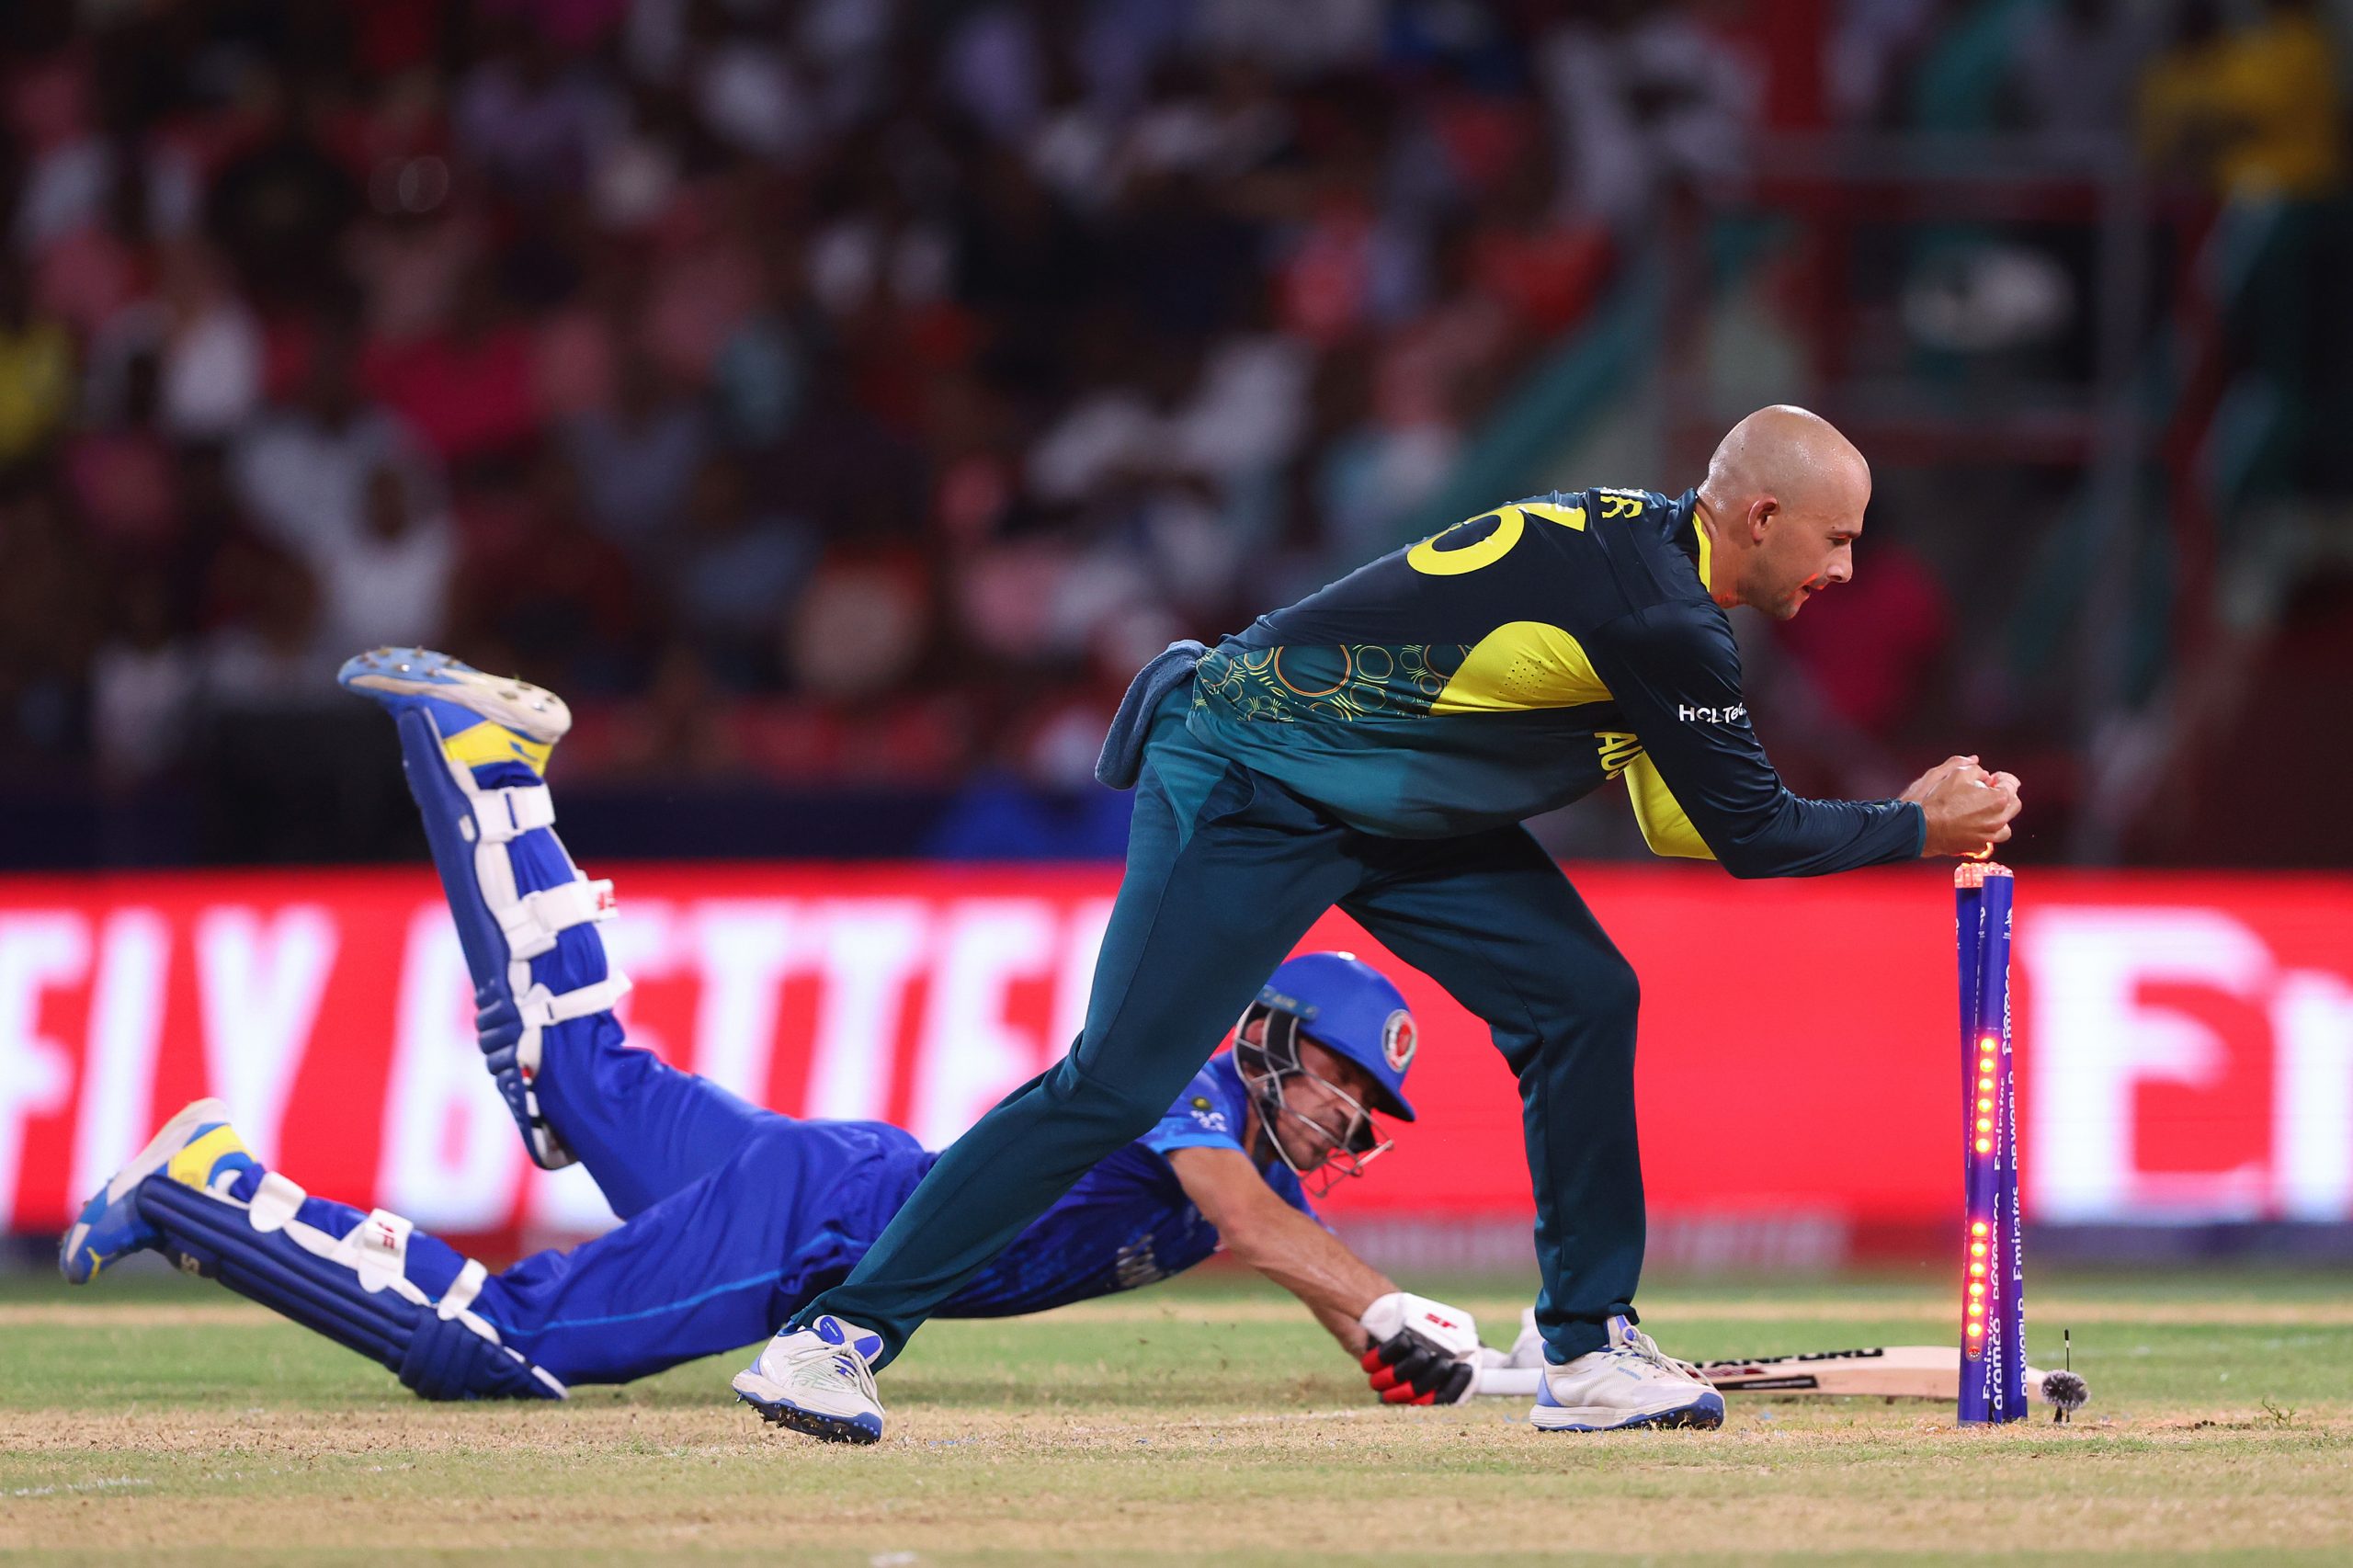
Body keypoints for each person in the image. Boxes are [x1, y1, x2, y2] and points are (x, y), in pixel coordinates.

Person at [748, 403, 2022, 1440]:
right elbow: (1749, 839)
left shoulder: (1653, 564)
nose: (1847, 569)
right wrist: (1914, 828)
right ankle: (836, 1338)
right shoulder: (1667, 621)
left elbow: (1684, 826)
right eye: (1836, 540)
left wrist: (1898, 825)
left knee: (1581, 994)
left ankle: (1583, 1344)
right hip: (1248, 776)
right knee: (1113, 1084)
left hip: (1383, 803)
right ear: (1760, 518)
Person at [59, 651, 1489, 1414]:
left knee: (577, 1072)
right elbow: (1235, 1213)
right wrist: (1377, 1298)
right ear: (1268, 1036)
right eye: (1342, 1086)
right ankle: (211, 1187)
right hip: (815, 1228)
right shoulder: (1185, 1072)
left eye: (1371, 1116)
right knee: (492, 1348)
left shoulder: (1279, 1179)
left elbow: (1292, 1246)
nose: (1350, 1125)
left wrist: (1402, 1350)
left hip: (833, 1181)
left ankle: (478, 757)